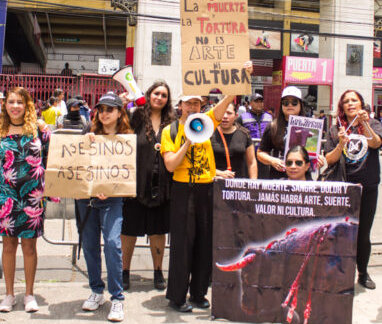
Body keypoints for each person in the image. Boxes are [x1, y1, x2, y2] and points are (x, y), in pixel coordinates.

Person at [160, 61, 253, 312]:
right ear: (180, 105)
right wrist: (187, 143)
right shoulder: (169, 131)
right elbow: (170, 165)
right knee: (182, 244)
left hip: (206, 189)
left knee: (204, 242)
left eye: (197, 103)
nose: (193, 107)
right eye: (188, 103)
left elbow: (226, 102)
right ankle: (177, 296)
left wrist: (241, 77)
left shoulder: (207, 120)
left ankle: (198, 293)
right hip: (183, 190)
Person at [0, 87, 50, 313]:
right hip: (6, 196)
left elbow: (52, 158)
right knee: (8, 246)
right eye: (11, 101)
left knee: (29, 246)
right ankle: (9, 294)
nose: (14, 106)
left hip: (32, 198)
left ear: (28, 105)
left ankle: (29, 294)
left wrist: (52, 190)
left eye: (20, 102)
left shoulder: (40, 129)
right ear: (5, 105)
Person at [76, 92, 129, 322]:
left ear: (119, 112)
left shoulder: (127, 138)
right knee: (89, 245)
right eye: (102, 109)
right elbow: (75, 164)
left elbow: (129, 173)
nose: (105, 113)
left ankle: (117, 298)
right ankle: (96, 290)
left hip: (113, 199)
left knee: (112, 244)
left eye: (110, 109)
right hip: (86, 198)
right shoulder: (87, 132)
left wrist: (111, 187)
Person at [323, 89, 382, 290]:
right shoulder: (334, 129)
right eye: (346, 101)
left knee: (363, 232)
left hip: (368, 186)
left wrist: (364, 124)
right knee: (340, 231)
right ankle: (340, 271)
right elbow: (329, 160)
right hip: (343, 187)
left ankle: (363, 272)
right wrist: (340, 144)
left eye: (354, 100)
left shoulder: (373, 124)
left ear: (361, 104)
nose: (350, 104)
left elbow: (376, 143)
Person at [121, 81, 175, 292]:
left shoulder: (172, 122)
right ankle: (124, 272)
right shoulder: (135, 117)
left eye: (163, 95)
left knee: (158, 231)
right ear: (149, 95)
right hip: (135, 184)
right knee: (128, 231)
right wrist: (122, 104)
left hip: (162, 186)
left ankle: (158, 271)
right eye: (156, 93)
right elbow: (115, 128)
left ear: (167, 100)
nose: (159, 97)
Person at [258, 86, 327, 179]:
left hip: (303, 180)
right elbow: (260, 153)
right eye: (286, 103)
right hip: (278, 178)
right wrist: (272, 160)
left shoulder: (310, 125)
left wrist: (319, 159)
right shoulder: (273, 126)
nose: (290, 105)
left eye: (294, 102)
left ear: (300, 105)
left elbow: (314, 154)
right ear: (281, 105)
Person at [211, 102, 258, 179]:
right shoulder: (209, 134)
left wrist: (253, 184)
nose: (225, 116)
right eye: (222, 112)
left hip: (238, 186)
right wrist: (220, 173)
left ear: (236, 116)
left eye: (229, 113)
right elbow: (203, 164)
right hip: (215, 185)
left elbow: (252, 162)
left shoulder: (244, 133)